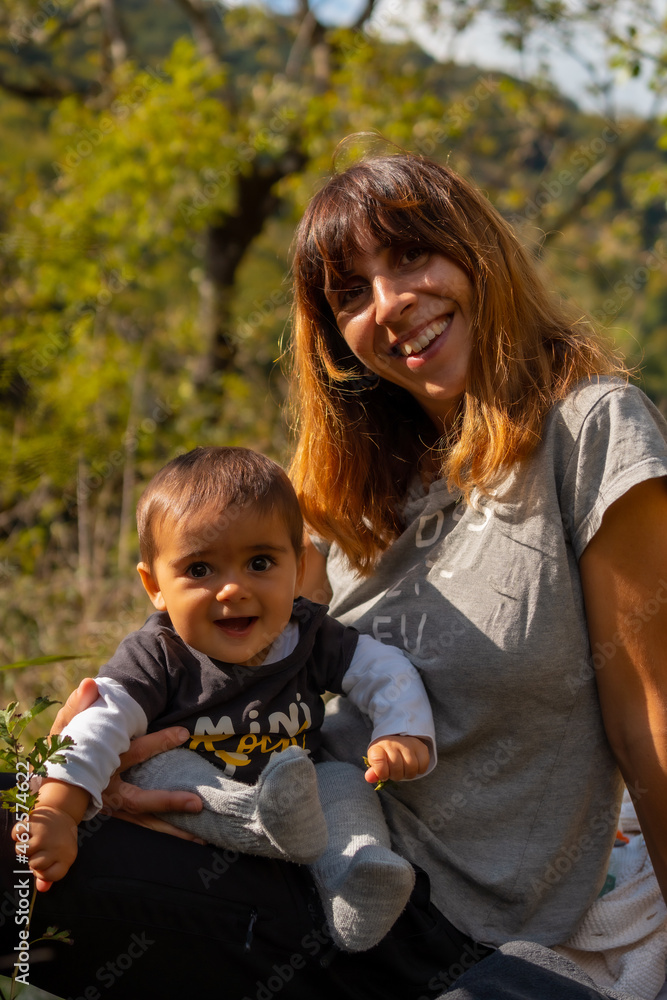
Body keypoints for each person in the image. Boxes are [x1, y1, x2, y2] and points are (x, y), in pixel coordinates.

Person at [7, 147, 666, 1000]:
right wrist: (114, 767)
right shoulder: (341, 500)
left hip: (499, 940)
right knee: (11, 850)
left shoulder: (589, 428)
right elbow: (234, 673)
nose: (391, 306)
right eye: (350, 294)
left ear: (477, 253)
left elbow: (650, 718)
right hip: (323, 880)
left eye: (410, 256)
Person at [19, 445, 437, 953]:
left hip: (297, 785)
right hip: (196, 790)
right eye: (199, 570)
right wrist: (60, 811)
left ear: (298, 566)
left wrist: (402, 731)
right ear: (155, 586)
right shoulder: (160, 654)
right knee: (163, 767)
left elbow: (382, 666)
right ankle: (265, 821)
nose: (232, 588)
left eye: (260, 562)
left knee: (343, 780)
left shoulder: (307, 635)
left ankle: (358, 875)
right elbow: (98, 721)